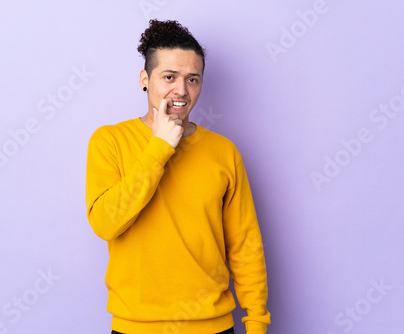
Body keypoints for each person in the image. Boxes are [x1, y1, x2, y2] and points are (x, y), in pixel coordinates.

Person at [86, 19, 270, 334]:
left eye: (193, 79)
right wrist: (159, 147)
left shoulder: (223, 152)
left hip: (213, 326)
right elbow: (105, 223)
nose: (181, 91)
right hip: (136, 327)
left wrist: (256, 323)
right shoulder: (109, 141)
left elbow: (245, 244)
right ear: (145, 79)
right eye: (169, 77)